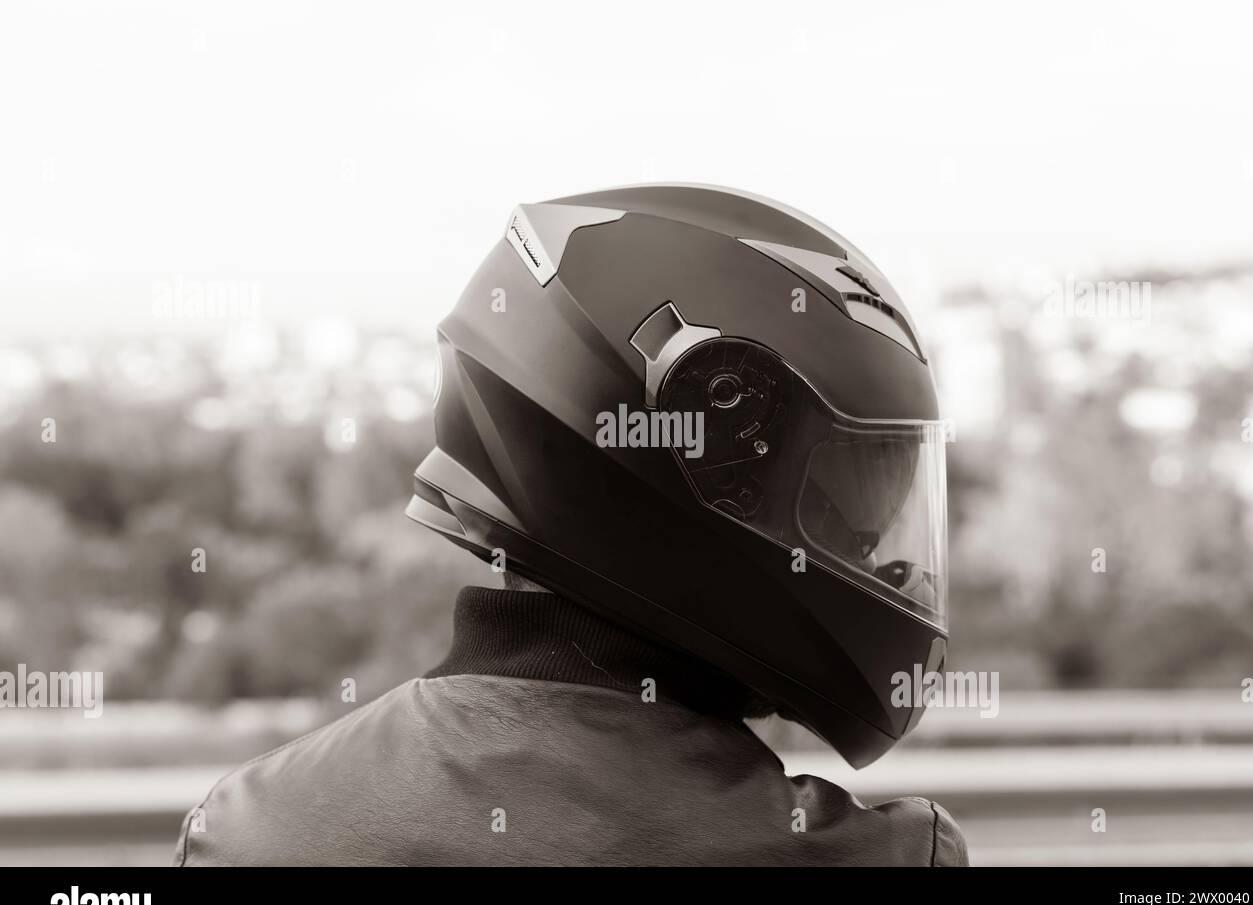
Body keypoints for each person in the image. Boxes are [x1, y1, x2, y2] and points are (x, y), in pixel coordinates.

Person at [174, 184, 968, 866]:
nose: (869, 555)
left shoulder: (249, 829)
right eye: (838, 505)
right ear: (705, 452)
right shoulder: (878, 858)